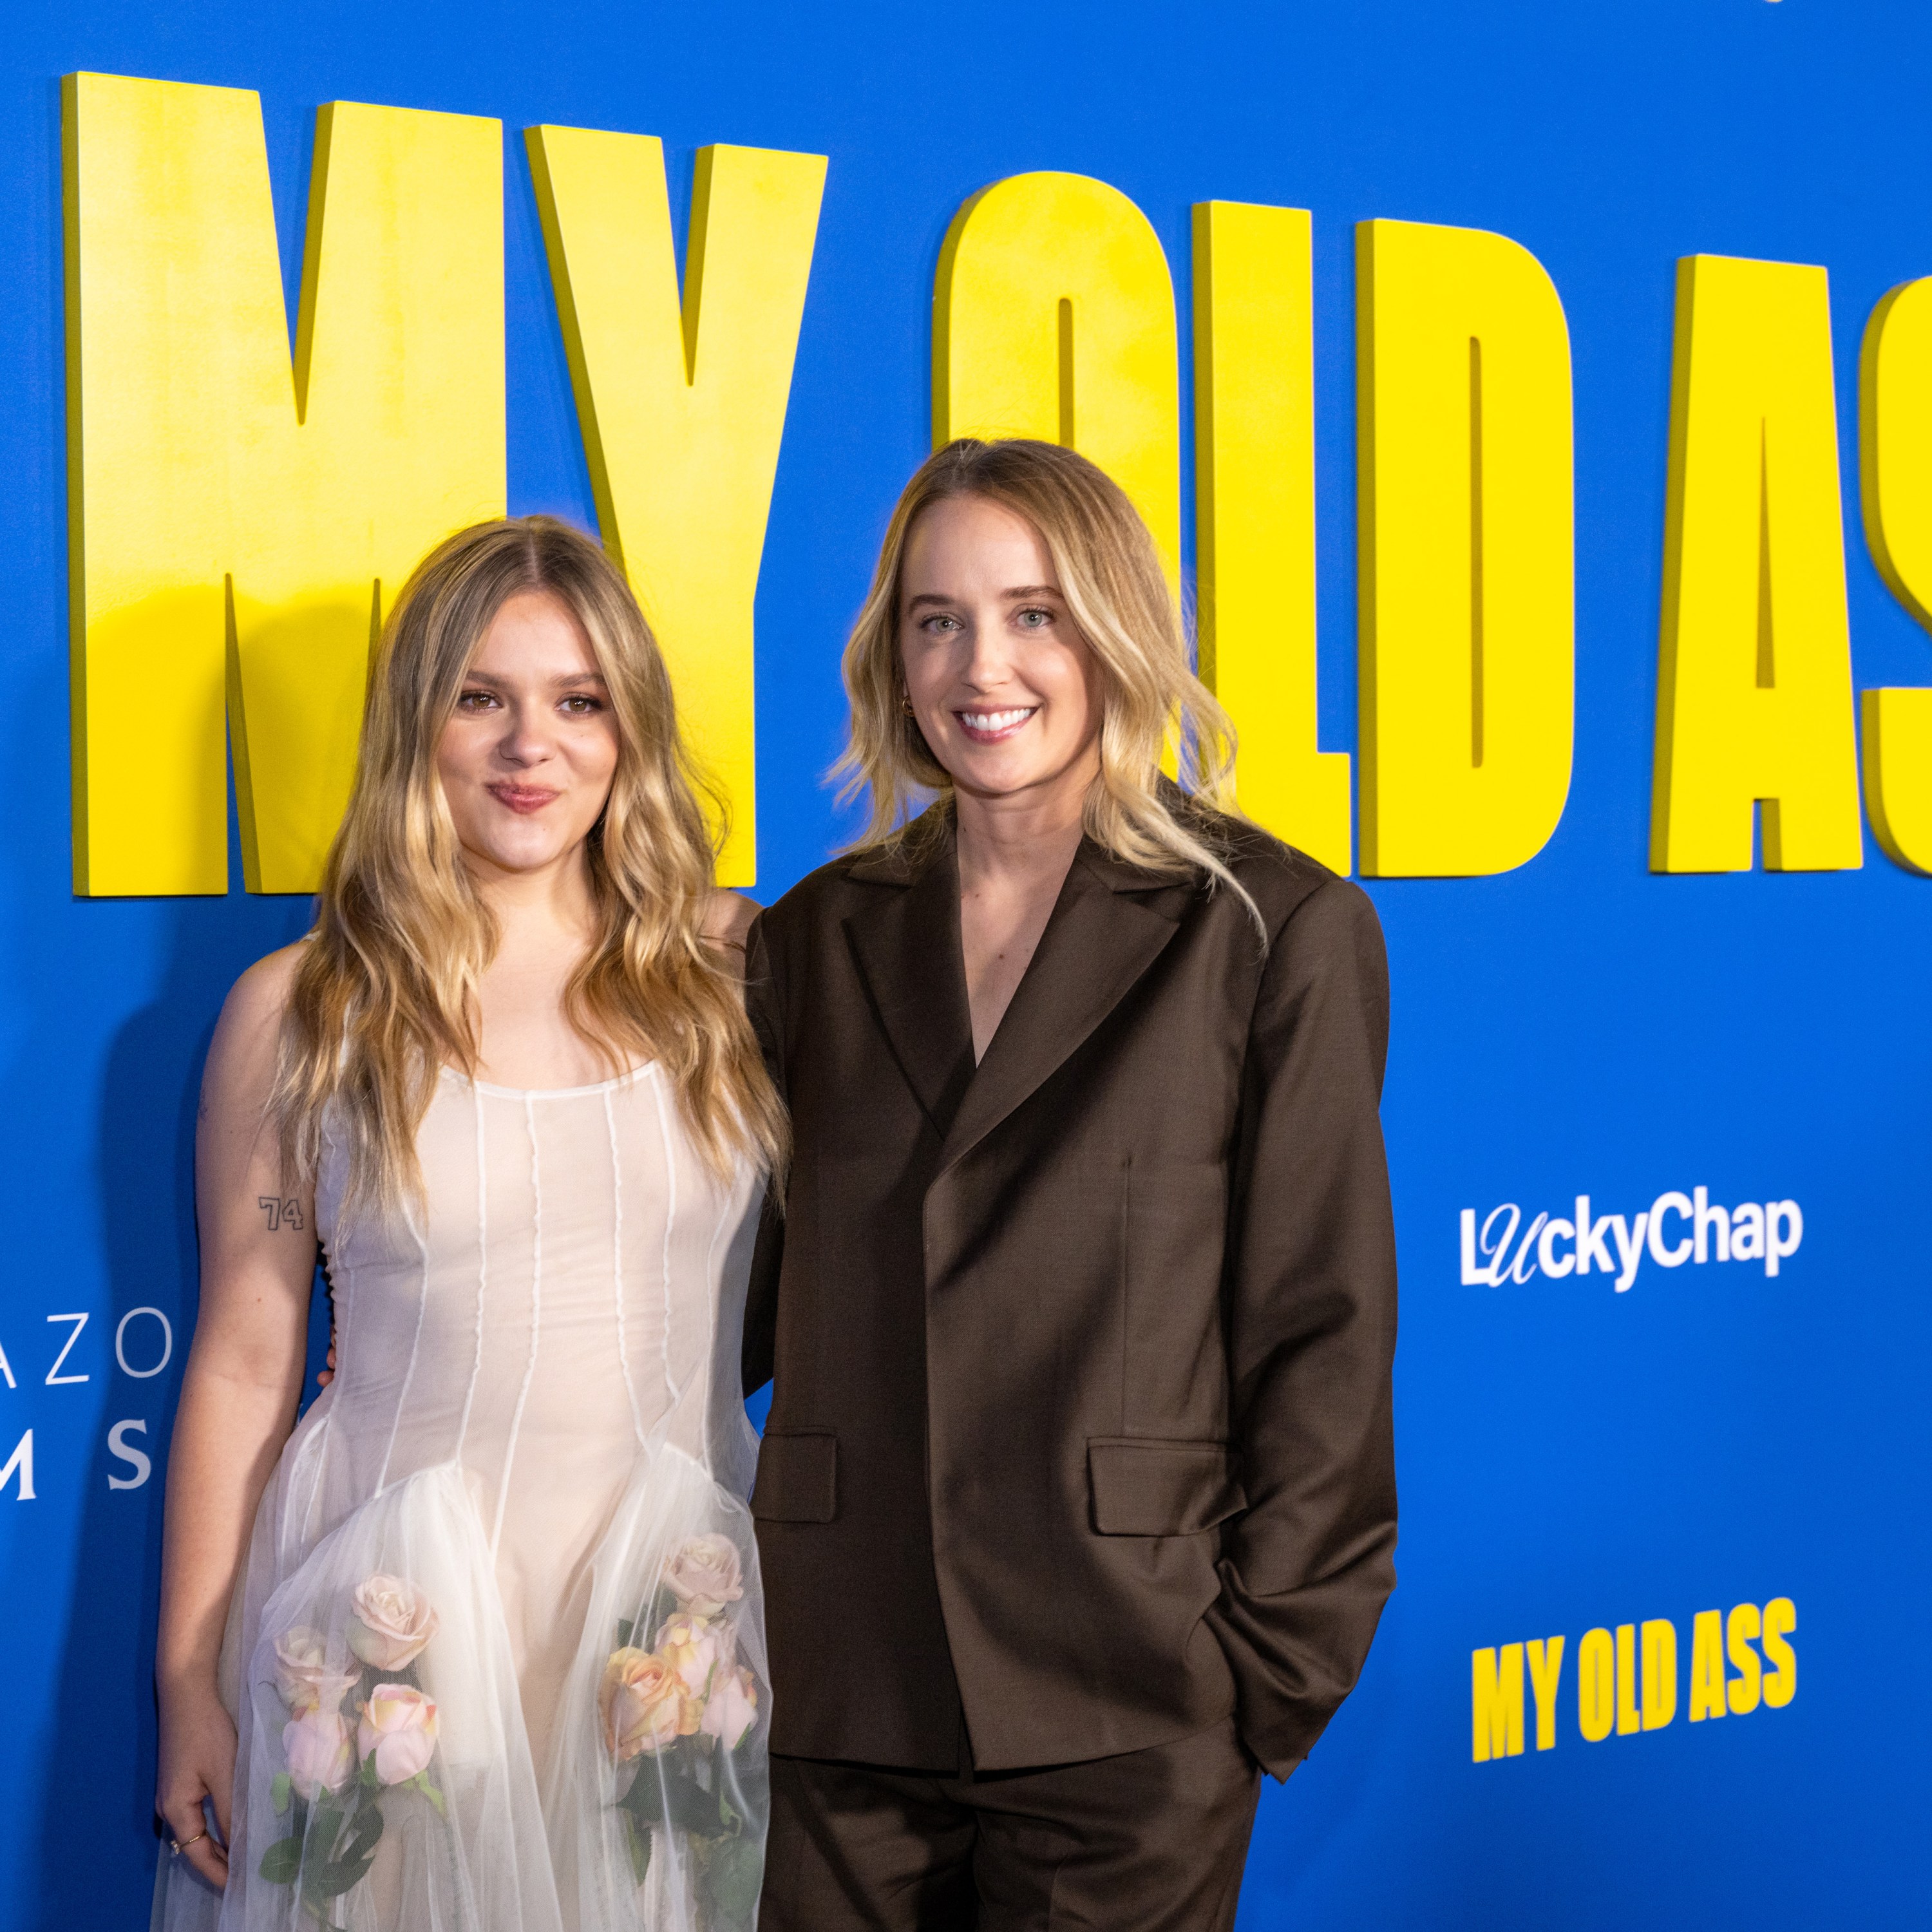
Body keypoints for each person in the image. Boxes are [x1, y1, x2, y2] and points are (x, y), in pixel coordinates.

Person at [743, 439, 1397, 1930]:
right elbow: (732, 1305)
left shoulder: (1268, 933)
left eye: (1035, 612)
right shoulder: (811, 941)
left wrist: (1266, 1676)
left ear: (1117, 631)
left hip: (1133, 1699)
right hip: (838, 1695)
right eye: (938, 618)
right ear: (890, 655)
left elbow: (1324, 1329)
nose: (985, 664)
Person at [151, 516, 782, 1932]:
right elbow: (249, 1359)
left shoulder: (736, 983)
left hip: (666, 1629)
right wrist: (188, 1682)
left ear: (631, 729)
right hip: (397, 1640)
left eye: (577, 702)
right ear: (414, 725)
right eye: (479, 698)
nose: (528, 747)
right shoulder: (302, 1011)